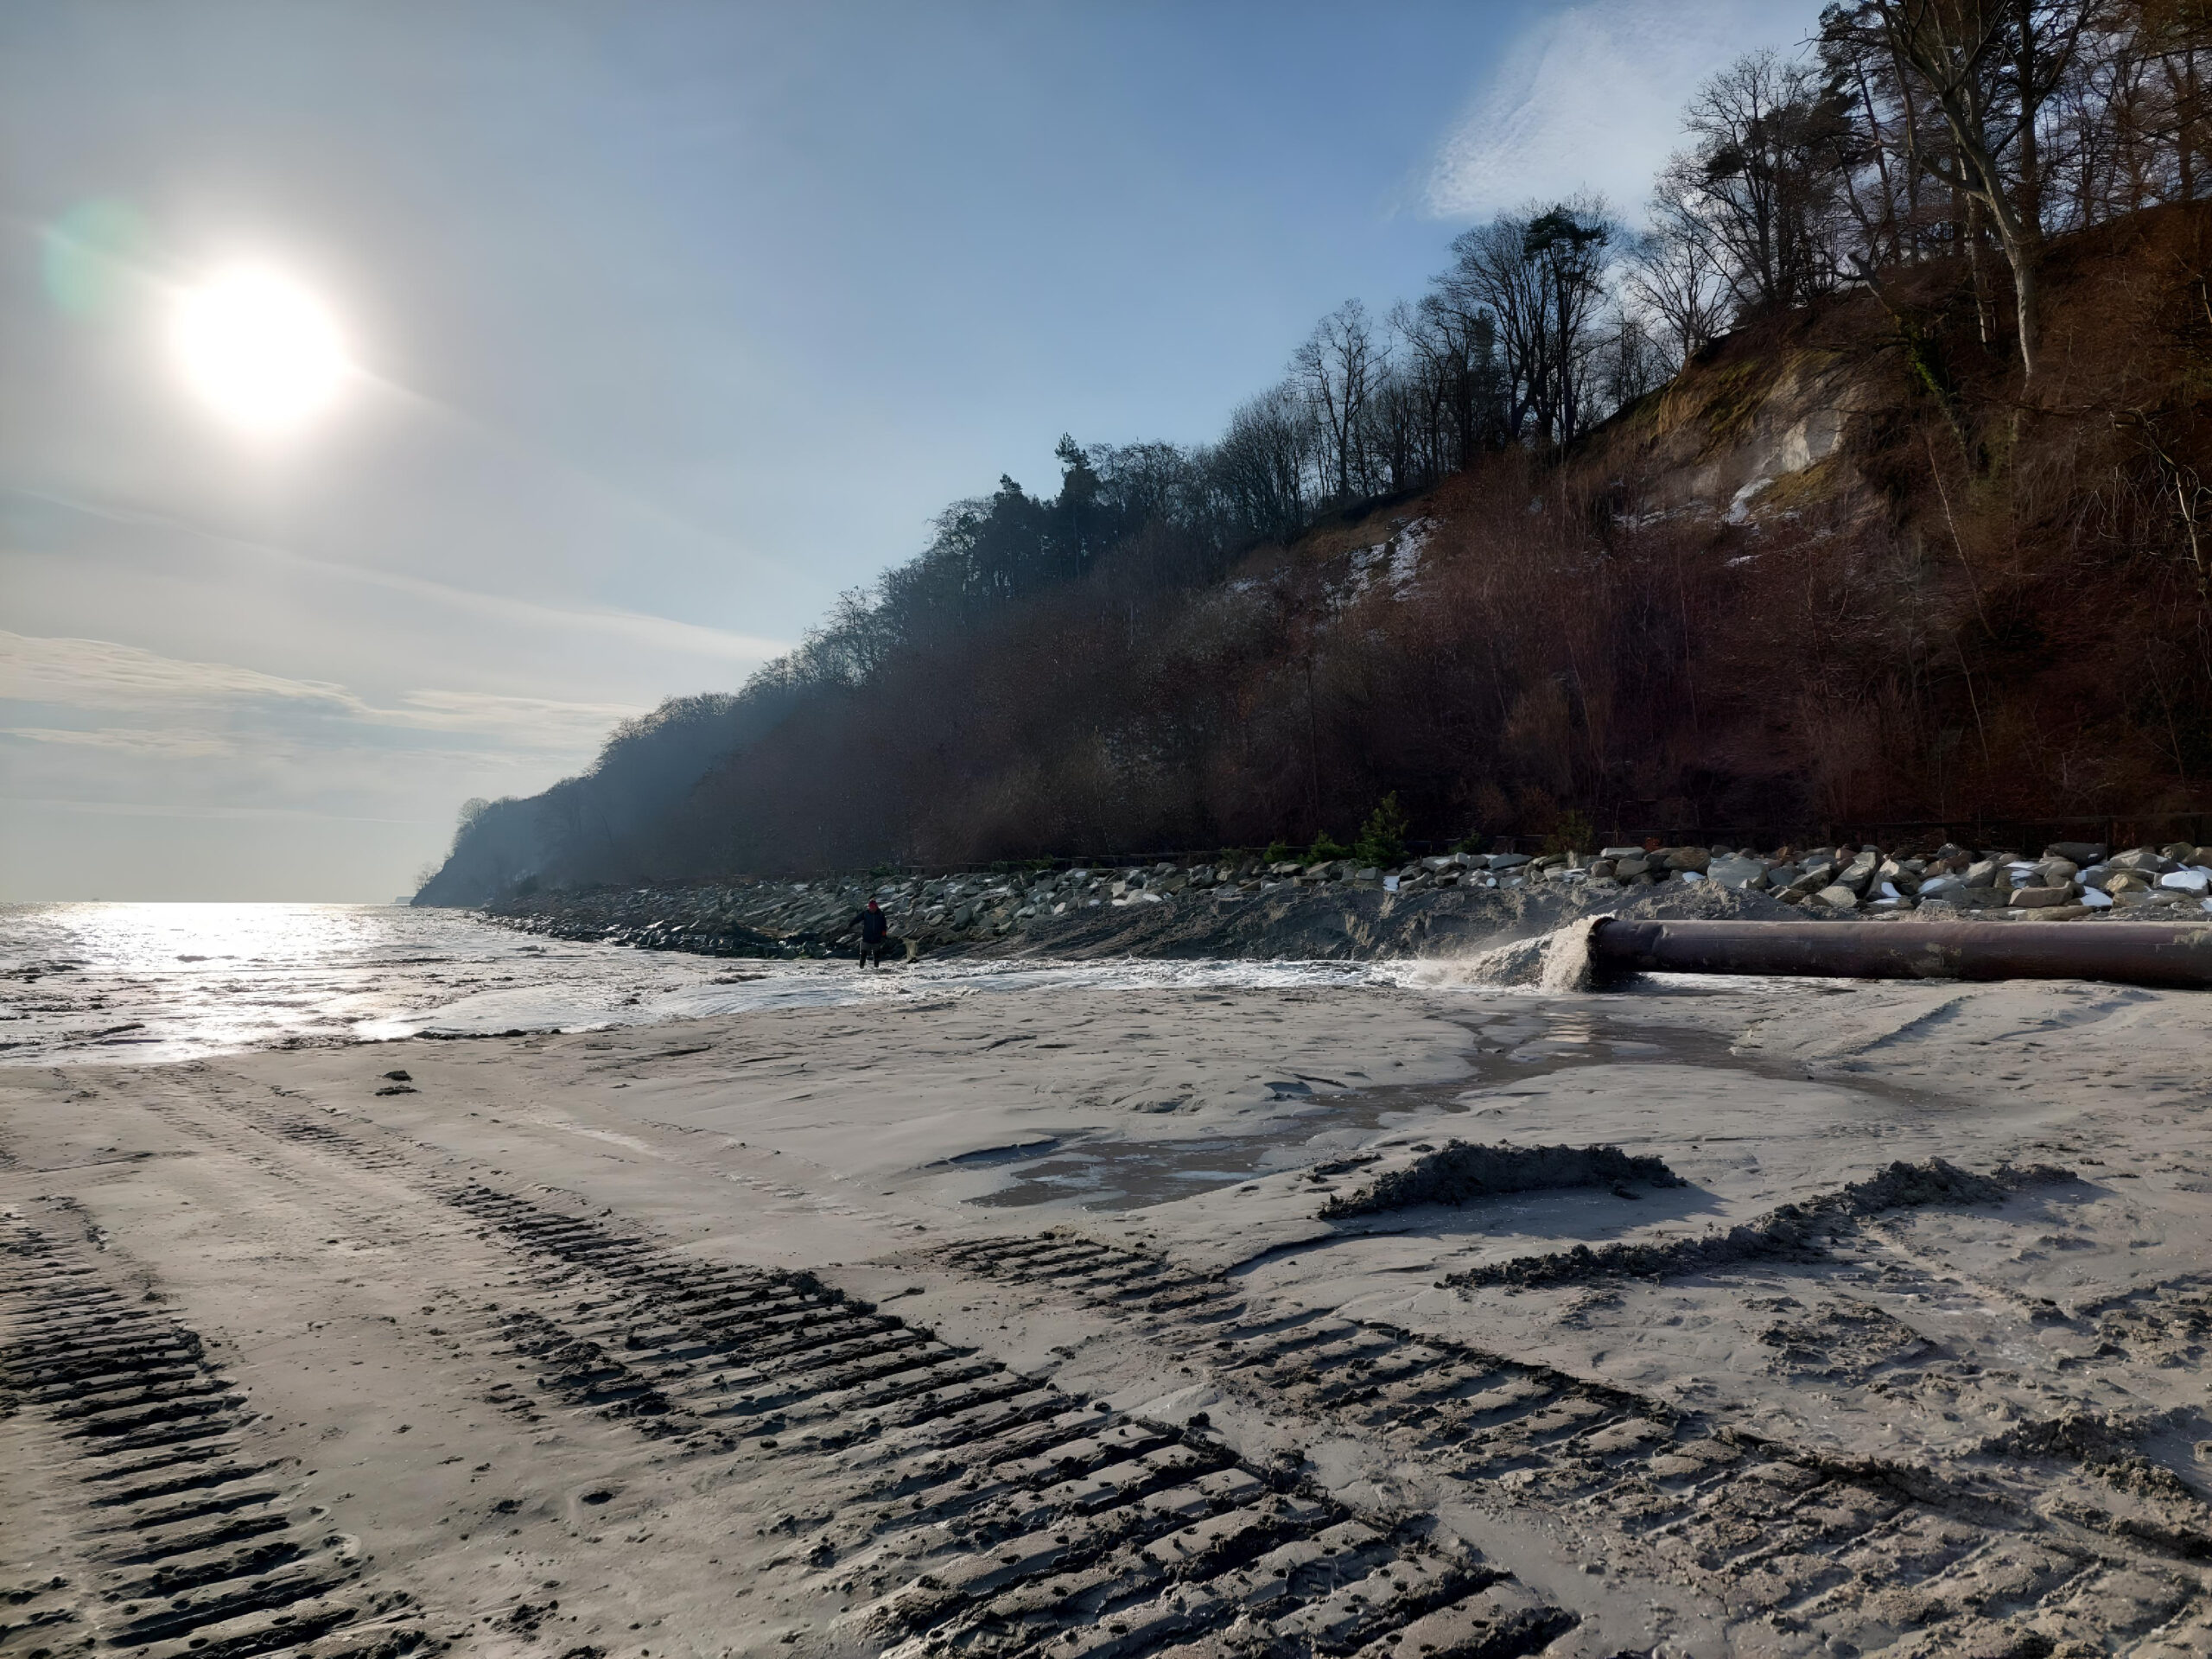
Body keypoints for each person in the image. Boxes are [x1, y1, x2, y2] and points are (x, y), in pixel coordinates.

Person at [856, 898, 890, 969]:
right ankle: (861, 968)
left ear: (876, 907)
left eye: (873, 907)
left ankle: (876, 968)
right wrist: (850, 926)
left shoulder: (880, 914)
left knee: (877, 956)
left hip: (877, 938)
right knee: (863, 955)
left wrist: (884, 934)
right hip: (866, 938)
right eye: (870, 907)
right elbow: (856, 919)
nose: (872, 909)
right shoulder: (865, 913)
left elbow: (884, 924)